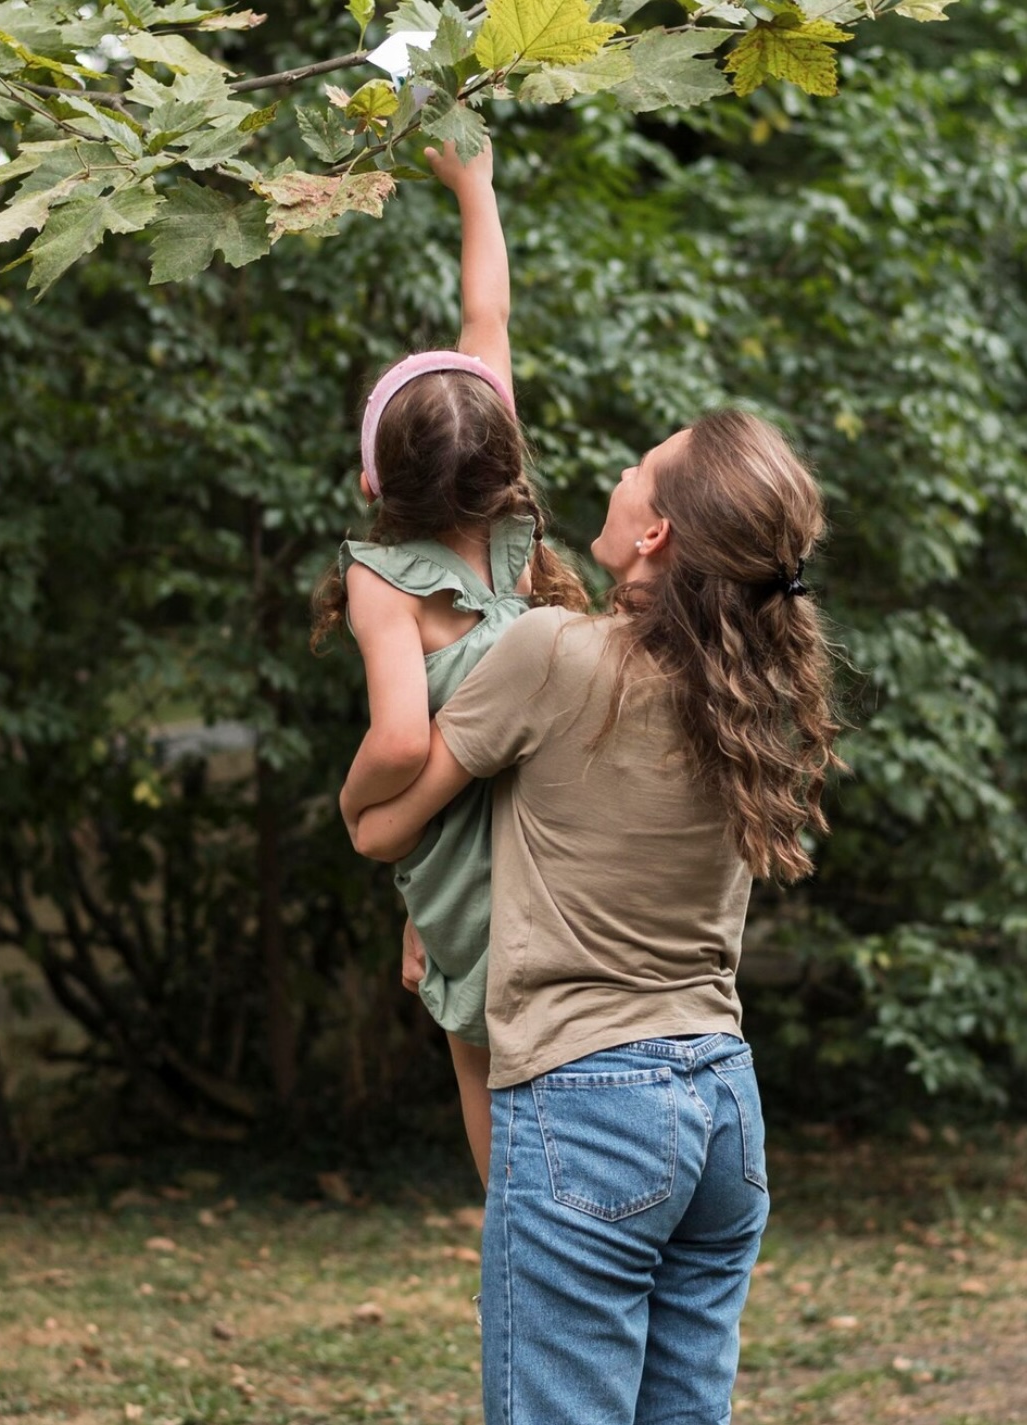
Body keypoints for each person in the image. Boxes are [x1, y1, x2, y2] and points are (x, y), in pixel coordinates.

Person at [348, 409, 844, 1424]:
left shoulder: (550, 656)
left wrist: (357, 807)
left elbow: (389, 827)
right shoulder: (748, 690)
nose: (617, 476)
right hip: (721, 1113)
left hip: (588, 1106)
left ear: (655, 532)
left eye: (638, 470)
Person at [311, 140, 587, 1188]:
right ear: (502, 462)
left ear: (375, 478)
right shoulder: (512, 541)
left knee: (480, 1066)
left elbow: (397, 741)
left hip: (461, 867)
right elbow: (490, 321)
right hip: (547, 825)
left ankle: (514, 1229)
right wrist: (474, 183)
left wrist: (355, 812)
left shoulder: (383, 579)